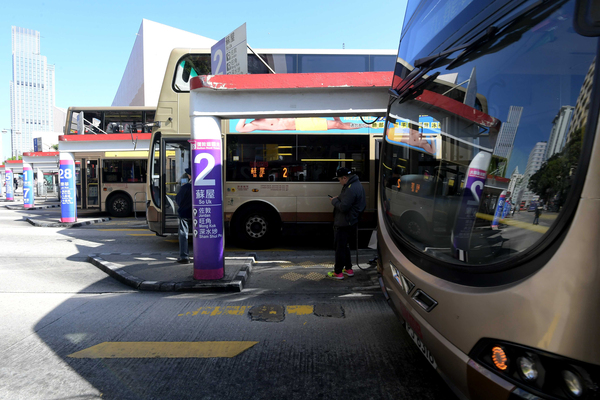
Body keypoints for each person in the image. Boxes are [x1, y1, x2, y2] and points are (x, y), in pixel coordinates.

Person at [328, 167, 366, 280]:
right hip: (351, 221)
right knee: (346, 246)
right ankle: (348, 269)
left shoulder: (350, 188)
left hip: (344, 222)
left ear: (345, 178)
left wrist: (334, 201)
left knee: (340, 247)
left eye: (339, 179)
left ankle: (338, 272)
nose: (339, 182)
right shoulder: (356, 184)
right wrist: (338, 198)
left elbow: (344, 207)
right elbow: (347, 200)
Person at [236, 117, 365, 132]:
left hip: (300, 117)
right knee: (338, 125)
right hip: (301, 125)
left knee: (339, 124)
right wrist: (244, 114)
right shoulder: (254, 124)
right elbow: (239, 129)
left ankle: (365, 125)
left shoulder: (265, 108)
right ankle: (365, 125)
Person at [175, 168, 193, 264]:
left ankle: (184, 257)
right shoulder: (201, 187)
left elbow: (178, 200)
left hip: (184, 214)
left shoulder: (185, 187)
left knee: (183, 235)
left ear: (190, 176)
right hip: (197, 214)